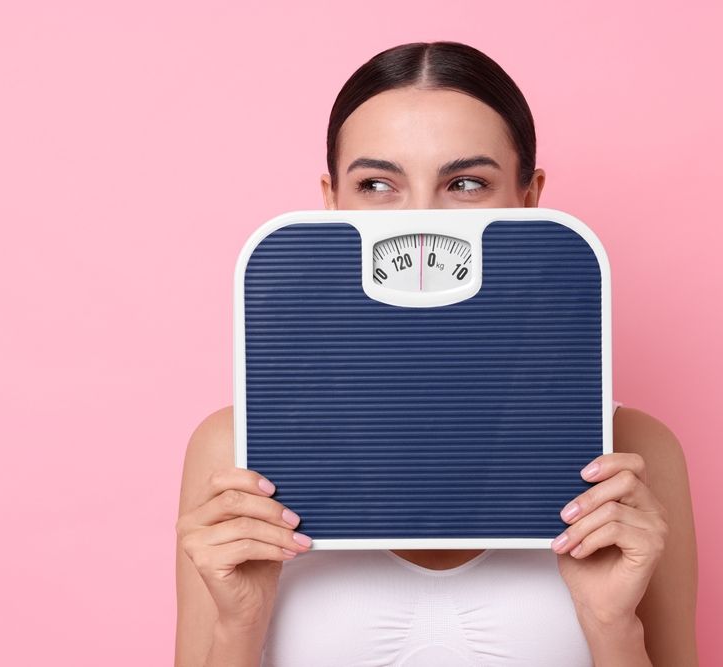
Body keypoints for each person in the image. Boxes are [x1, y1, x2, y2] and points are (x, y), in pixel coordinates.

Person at [175, 41, 698, 666]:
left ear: (528, 198)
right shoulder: (236, 453)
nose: (420, 222)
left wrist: (612, 625)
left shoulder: (631, 457)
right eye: (377, 184)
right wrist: (241, 623)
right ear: (332, 200)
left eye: (466, 183)